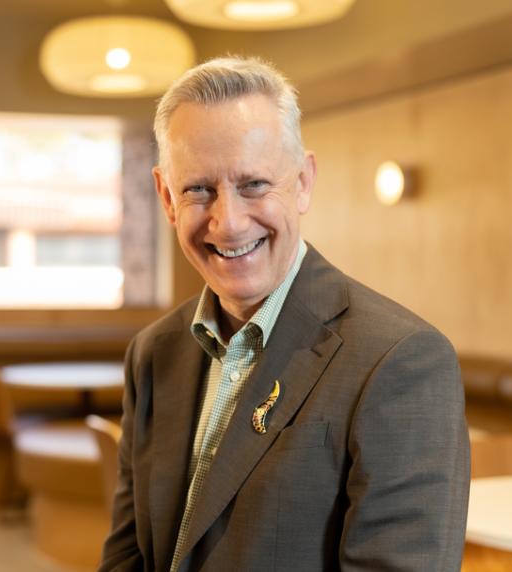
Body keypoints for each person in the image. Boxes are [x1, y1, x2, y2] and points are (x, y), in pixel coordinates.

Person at [99, 56, 469, 571]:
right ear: (166, 196)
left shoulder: (400, 361)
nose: (227, 223)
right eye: (199, 189)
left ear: (302, 183)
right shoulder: (154, 352)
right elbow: (128, 556)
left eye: (253, 185)